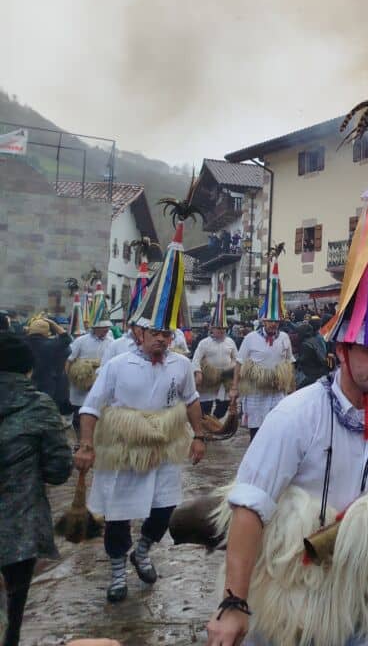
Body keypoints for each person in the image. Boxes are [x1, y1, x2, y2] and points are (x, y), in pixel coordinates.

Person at [207, 94, 368, 646]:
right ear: (340, 352)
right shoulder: (297, 416)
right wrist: (235, 604)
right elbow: (249, 509)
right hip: (301, 601)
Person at [74, 218, 208, 603]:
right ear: (139, 332)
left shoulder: (180, 364)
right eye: (156, 334)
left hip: (164, 449)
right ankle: (117, 571)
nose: (163, 340)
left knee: (164, 510)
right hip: (124, 451)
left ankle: (144, 550)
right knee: (118, 515)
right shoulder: (116, 366)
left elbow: (192, 400)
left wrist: (197, 436)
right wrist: (85, 445)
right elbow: (91, 405)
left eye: (168, 334)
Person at [0, 333, 73, 645]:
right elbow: (58, 471)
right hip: (20, 530)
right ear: (27, 369)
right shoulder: (39, 406)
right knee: (12, 617)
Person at [235, 260, 294, 440]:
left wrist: (291, 387)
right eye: (269, 321)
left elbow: (290, 362)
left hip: (277, 389)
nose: (272, 324)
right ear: (262, 321)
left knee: (278, 426)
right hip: (255, 389)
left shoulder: (284, 338)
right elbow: (239, 363)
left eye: (275, 322)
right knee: (256, 429)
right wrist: (234, 388)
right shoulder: (250, 338)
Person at [65, 319, 115, 434]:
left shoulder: (112, 342)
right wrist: (68, 378)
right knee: (79, 412)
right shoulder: (81, 341)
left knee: (97, 411)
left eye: (107, 327)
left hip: (100, 382)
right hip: (80, 382)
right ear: (95, 328)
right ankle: (79, 437)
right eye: (104, 327)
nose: (107, 330)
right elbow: (69, 360)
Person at [24, 316, 71, 409]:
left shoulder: (20, 342)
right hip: (48, 387)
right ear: (47, 332)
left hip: (24, 386)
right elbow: (67, 339)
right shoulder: (53, 345)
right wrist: (54, 324)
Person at [191, 325, 238, 417]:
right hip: (208, 379)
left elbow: (236, 358)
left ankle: (215, 423)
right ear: (212, 329)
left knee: (223, 405)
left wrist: (232, 369)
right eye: (219, 328)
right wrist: (198, 372)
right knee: (205, 406)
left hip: (224, 379)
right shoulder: (204, 343)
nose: (222, 330)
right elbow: (196, 360)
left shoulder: (230, 342)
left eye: (224, 328)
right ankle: (206, 424)